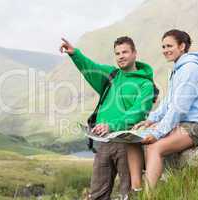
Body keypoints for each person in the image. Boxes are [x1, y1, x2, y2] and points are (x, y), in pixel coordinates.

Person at [60, 36, 155, 199]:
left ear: (135, 54)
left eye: (125, 52)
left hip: (127, 144)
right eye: (117, 53)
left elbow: (138, 112)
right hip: (104, 141)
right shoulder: (111, 75)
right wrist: (74, 54)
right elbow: (91, 68)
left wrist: (112, 125)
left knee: (128, 193)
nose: (121, 56)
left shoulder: (145, 85)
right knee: (97, 193)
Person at [128, 29, 198, 189]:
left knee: (155, 147)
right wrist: (151, 120)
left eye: (169, 46)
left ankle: (149, 195)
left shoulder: (190, 69)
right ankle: (138, 188)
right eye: (163, 47)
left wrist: (157, 133)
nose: (165, 50)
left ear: (182, 46)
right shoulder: (178, 69)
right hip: (185, 124)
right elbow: (168, 102)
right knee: (137, 137)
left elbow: (179, 108)